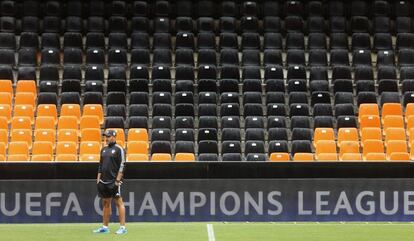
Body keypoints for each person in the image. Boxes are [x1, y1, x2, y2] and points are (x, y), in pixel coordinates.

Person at [93, 130, 127, 235]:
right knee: (106, 203)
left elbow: (122, 165)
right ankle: (105, 227)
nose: (106, 138)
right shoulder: (103, 149)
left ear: (114, 137)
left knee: (118, 202)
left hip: (114, 182)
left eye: (108, 136)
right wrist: (98, 179)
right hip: (103, 181)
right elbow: (100, 165)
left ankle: (122, 227)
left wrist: (117, 180)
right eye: (105, 136)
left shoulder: (119, 149)